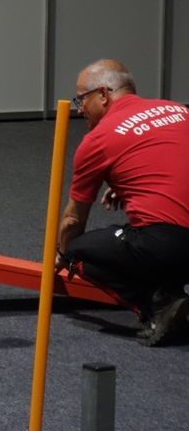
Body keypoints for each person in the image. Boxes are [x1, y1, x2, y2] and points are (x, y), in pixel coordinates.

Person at [56, 59, 189, 346]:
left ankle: (159, 304)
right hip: (177, 241)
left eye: (82, 99)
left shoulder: (98, 139)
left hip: (172, 246)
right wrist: (128, 185)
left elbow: (73, 219)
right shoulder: (177, 109)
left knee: (77, 251)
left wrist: (62, 254)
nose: (79, 109)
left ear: (103, 94)